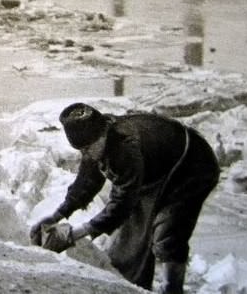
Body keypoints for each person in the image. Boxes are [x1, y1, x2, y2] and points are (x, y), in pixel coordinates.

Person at [30, 102, 220, 294]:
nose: (86, 154)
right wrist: (56, 216)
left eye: (88, 148)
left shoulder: (125, 146)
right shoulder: (95, 142)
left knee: (167, 230)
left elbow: (122, 202)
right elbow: (86, 183)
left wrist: (74, 234)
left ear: (102, 135)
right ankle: (136, 288)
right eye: (82, 151)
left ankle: (172, 288)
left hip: (192, 166)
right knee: (127, 244)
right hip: (154, 172)